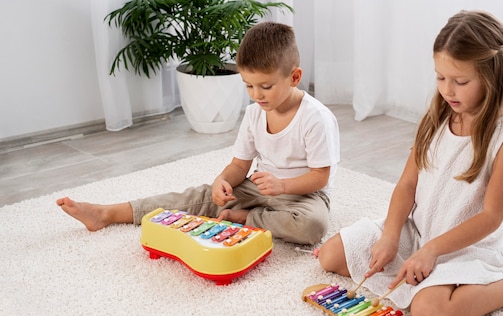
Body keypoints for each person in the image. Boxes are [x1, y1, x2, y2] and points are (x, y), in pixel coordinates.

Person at [317, 10, 503, 316]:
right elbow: (406, 186)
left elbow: (491, 217)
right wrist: (389, 236)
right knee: (330, 256)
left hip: (467, 248)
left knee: (431, 313)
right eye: (440, 77)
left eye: (460, 81)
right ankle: (414, 260)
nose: (448, 90)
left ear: (490, 76)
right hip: (417, 232)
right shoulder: (436, 118)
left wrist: (432, 251)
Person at [57, 22, 340, 245]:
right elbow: (240, 165)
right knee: (198, 198)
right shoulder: (255, 113)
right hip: (260, 188)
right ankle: (107, 213)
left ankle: (244, 218)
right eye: (248, 86)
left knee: (312, 226)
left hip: (304, 196)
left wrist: (283, 186)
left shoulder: (315, 117)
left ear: (294, 77)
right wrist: (222, 181)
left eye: (265, 87)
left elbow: (320, 176)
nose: (256, 95)